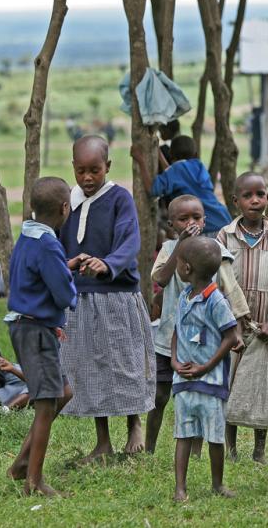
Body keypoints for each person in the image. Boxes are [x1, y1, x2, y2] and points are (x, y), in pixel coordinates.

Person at [60, 135, 156, 463]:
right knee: (91, 367)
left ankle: (134, 424)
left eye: (95, 171)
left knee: (125, 362)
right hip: (82, 299)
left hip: (117, 296)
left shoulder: (119, 198)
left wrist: (109, 263)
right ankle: (102, 442)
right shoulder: (67, 202)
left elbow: (130, 240)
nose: (87, 178)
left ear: (108, 167)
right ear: (73, 168)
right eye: (81, 171)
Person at [147, 194, 249, 455]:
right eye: (183, 219)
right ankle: (149, 448)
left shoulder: (214, 251)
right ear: (171, 225)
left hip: (203, 341)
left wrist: (237, 330)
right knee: (159, 395)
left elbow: (231, 292)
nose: (190, 223)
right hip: (168, 336)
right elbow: (160, 277)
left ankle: (195, 450)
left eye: (196, 217)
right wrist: (179, 247)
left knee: (198, 391)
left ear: (204, 220)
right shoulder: (169, 250)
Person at [4, 177, 76, 496]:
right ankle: (33, 482)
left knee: (64, 392)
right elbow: (63, 294)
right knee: (47, 404)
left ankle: (22, 463)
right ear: (64, 208)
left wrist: (65, 267)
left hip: (29, 324)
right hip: (35, 330)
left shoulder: (29, 234)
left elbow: (37, 277)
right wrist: (69, 280)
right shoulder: (48, 243)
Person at [218, 173, 268, 463]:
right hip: (231, 324)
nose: (255, 200)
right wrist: (235, 319)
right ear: (236, 201)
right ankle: (230, 447)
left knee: (261, 384)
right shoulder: (224, 236)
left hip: (265, 324)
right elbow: (222, 277)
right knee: (231, 384)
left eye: (260, 194)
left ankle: (259, 449)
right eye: (247, 196)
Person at [170, 236, 239, 502]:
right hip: (184, 379)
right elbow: (176, 332)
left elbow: (231, 336)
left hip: (210, 383)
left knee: (214, 437)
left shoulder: (216, 300)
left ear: (186, 268)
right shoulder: (184, 297)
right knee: (183, 434)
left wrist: (207, 366)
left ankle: (218, 484)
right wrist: (175, 362)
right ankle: (180, 488)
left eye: (178, 260)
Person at [139, 135, 231, 237]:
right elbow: (174, 173)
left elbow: (152, 189)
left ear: (171, 154)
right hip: (223, 220)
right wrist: (160, 155)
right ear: (195, 154)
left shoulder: (175, 171)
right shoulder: (199, 166)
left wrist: (140, 160)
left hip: (205, 227)